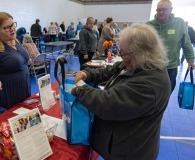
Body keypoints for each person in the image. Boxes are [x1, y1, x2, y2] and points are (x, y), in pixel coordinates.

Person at [68, 23, 170, 160]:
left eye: (123, 53)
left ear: (139, 53)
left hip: (131, 151)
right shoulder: (141, 63)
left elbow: (107, 104)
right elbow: (113, 69)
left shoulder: (150, 84)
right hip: (123, 142)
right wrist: (89, 74)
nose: (120, 56)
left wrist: (80, 89)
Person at [146, 0, 194, 93]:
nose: (161, 12)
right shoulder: (149, 25)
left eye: (164, 9)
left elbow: (186, 43)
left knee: (167, 92)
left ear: (171, 10)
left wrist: (190, 60)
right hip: (152, 67)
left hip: (171, 67)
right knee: (151, 93)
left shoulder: (179, 23)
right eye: (158, 10)